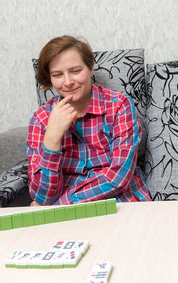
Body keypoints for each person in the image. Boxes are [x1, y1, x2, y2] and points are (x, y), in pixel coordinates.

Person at [27, 35, 150, 205]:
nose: (68, 82)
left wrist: (60, 206)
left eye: (75, 71)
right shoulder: (41, 119)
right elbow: (42, 197)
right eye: (57, 75)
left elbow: (118, 178)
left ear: (91, 68)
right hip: (70, 217)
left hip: (121, 202)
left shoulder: (119, 105)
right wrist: (52, 138)